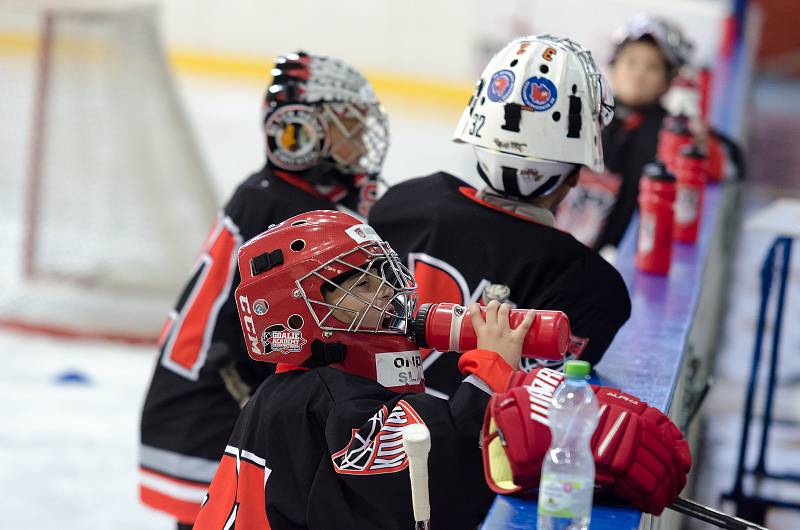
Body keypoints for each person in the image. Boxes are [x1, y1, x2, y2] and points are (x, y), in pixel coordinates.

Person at [138, 52, 389, 528]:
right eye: (349, 124)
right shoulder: (279, 208)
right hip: (210, 408)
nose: (361, 140)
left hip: (210, 397)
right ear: (299, 132)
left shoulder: (277, 195)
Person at [192, 210, 532, 529]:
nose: (387, 290)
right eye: (363, 285)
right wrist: (491, 370)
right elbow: (431, 478)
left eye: (383, 275)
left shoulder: (304, 387)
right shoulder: (331, 401)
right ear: (302, 308)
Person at [369, 35, 631, 398]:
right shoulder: (595, 287)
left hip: (357, 436)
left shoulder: (402, 203)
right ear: (575, 174)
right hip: (465, 450)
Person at [556, 16, 693, 252]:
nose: (638, 74)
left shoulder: (673, 132)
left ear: (669, 79)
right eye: (630, 62)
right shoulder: (583, 112)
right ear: (614, 66)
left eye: (652, 67)